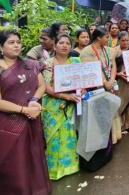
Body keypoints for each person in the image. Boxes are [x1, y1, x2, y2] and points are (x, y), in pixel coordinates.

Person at [0, 29, 51, 194]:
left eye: (18, 42)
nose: (16, 45)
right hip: (5, 125)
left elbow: (41, 85)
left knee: (33, 157)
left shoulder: (30, 64)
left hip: (31, 119)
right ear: (1, 46)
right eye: (11, 42)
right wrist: (24, 109)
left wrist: (34, 101)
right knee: (12, 163)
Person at [42, 34, 80, 180]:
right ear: (55, 45)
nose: (65, 45)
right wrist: (65, 96)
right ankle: (53, 171)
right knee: (54, 138)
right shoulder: (48, 63)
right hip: (53, 105)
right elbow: (46, 87)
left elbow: (82, 80)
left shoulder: (76, 61)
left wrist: (81, 89)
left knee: (69, 135)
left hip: (71, 104)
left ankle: (70, 167)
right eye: (61, 43)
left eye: (67, 43)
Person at [80, 27, 120, 144]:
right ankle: (102, 142)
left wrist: (112, 80)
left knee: (111, 112)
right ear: (98, 38)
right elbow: (91, 71)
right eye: (106, 37)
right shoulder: (87, 51)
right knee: (100, 115)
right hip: (96, 88)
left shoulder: (108, 50)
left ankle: (112, 139)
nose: (108, 39)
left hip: (110, 85)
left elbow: (113, 65)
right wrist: (104, 83)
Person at [114, 32, 129, 134]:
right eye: (123, 40)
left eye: (127, 40)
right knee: (120, 102)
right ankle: (120, 126)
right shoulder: (114, 51)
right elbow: (110, 67)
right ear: (119, 40)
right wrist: (118, 74)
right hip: (119, 81)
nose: (125, 42)